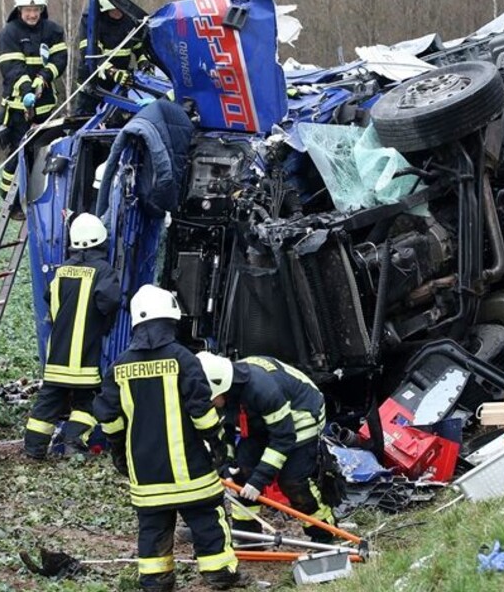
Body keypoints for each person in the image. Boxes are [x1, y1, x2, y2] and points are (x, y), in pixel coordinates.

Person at [93, 285, 241, 591]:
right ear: (170, 319)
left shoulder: (119, 367)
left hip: (146, 474)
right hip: (190, 469)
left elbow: (109, 418)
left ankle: (157, 581)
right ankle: (219, 574)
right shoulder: (183, 359)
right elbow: (201, 411)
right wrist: (216, 444)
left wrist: (119, 453)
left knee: (153, 528)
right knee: (206, 520)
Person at [196, 351, 335, 544]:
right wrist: (225, 466)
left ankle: (323, 536)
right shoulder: (228, 391)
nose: (209, 403)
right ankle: (248, 537)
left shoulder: (262, 390)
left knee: (293, 480)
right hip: (262, 420)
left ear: (220, 386)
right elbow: (226, 432)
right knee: (242, 471)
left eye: (211, 398)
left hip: (300, 415)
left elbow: (283, 438)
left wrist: (259, 480)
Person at [23, 213, 121, 460]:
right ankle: (73, 441)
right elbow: (109, 301)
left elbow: (49, 297)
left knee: (48, 401)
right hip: (85, 357)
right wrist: (104, 324)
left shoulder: (63, 270)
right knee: (86, 403)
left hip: (57, 353)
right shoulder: (102, 270)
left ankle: (33, 449)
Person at [0, 0, 68, 197]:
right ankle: (10, 197)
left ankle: (43, 194)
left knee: (46, 150)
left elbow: (60, 59)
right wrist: (28, 89)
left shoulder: (53, 30)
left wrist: (45, 77)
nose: (32, 14)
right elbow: (12, 68)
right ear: (19, 10)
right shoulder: (9, 33)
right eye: (28, 10)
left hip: (47, 106)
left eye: (36, 9)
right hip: (19, 107)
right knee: (20, 152)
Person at [74, 0, 152, 117]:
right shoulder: (92, 21)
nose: (118, 13)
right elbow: (91, 55)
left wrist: (144, 62)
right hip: (92, 86)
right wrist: (113, 72)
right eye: (114, 10)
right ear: (104, 9)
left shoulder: (130, 20)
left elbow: (138, 47)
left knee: (117, 123)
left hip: (118, 85)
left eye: (120, 8)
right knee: (85, 121)